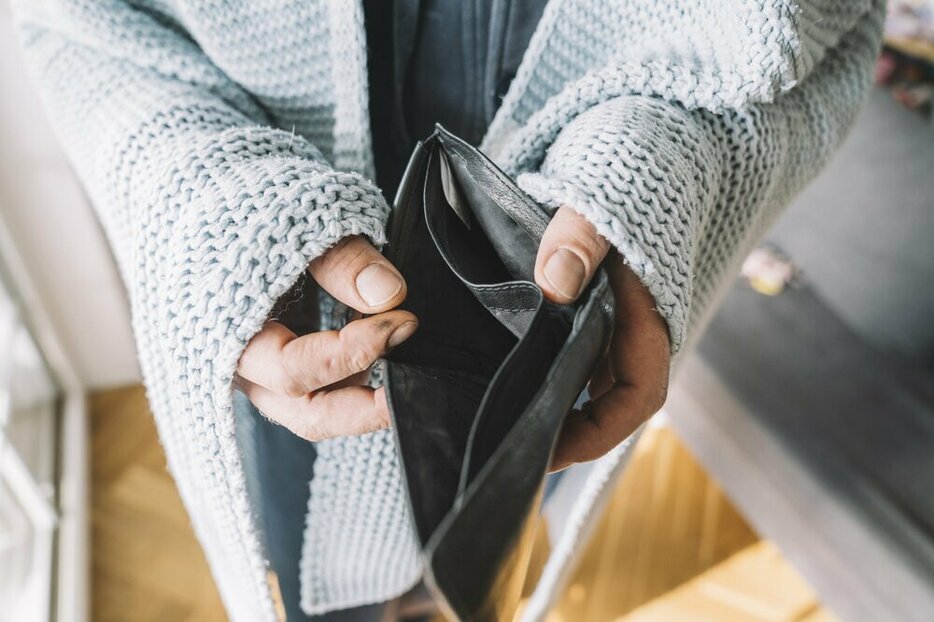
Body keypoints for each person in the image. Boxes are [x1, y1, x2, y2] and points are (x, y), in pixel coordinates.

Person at [12, 0, 884, 619]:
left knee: (490, 543)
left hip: (563, 336)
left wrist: (663, 171)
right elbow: (76, 25)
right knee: (326, 576)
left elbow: (830, 25)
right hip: (291, 333)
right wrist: (214, 202)